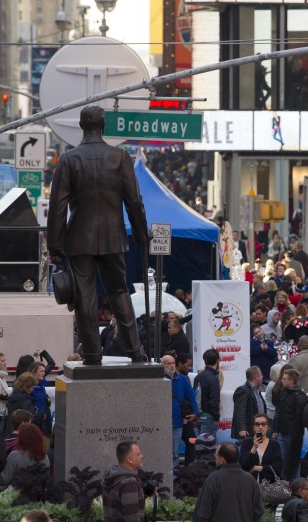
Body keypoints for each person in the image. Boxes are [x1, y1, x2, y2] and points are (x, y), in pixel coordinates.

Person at [48, 105, 148, 365]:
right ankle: (135, 351)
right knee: (120, 291)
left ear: (81, 126)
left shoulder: (70, 160)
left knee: (85, 297)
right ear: (103, 126)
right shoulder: (119, 157)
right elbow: (134, 202)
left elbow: (57, 207)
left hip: (79, 239)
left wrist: (55, 245)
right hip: (113, 237)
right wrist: (141, 235)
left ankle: (92, 354)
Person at [194, 442, 264, 522]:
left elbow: (203, 513)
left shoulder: (214, 479)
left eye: (216, 454)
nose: (215, 456)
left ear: (222, 459)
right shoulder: (250, 480)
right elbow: (258, 511)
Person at [273, 367, 308, 480]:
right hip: (283, 433)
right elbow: (278, 412)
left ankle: (295, 486)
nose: (282, 381)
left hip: (293, 435)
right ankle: (284, 484)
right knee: (281, 460)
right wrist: (276, 430)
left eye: (284, 379)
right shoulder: (284, 393)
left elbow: (300, 417)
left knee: (294, 461)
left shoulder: (299, 396)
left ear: (291, 381)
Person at [164, 354, 198, 468]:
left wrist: (195, 413)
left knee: (175, 450)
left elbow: (191, 396)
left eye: (173, 363)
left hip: (178, 420)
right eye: (168, 363)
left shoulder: (182, 379)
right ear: (162, 365)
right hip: (163, 421)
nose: (171, 366)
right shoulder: (158, 379)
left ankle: (173, 476)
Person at [102, 441, 146, 522]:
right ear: (129, 459)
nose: (142, 456)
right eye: (138, 454)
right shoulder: (129, 482)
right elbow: (132, 518)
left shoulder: (114, 476)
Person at [239, 413, 283, 483]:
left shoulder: (275, 444)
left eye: (263, 424)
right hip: (249, 484)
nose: (260, 427)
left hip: (269, 486)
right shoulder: (246, 442)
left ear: (268, 427)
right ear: (253, 427)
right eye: (257, 424)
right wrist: (254, 448)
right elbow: (243, 466)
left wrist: (257, 468)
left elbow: (278, 467)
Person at [233, 366, 267, 443]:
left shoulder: (256, 389)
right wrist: (242, 429)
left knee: (259, 450)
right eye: (261, 375)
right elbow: (240, 411)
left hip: (258, 428)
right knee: (249, 451)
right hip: (249, 430)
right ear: (256, 377)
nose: (262, 377)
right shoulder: (243, 390)